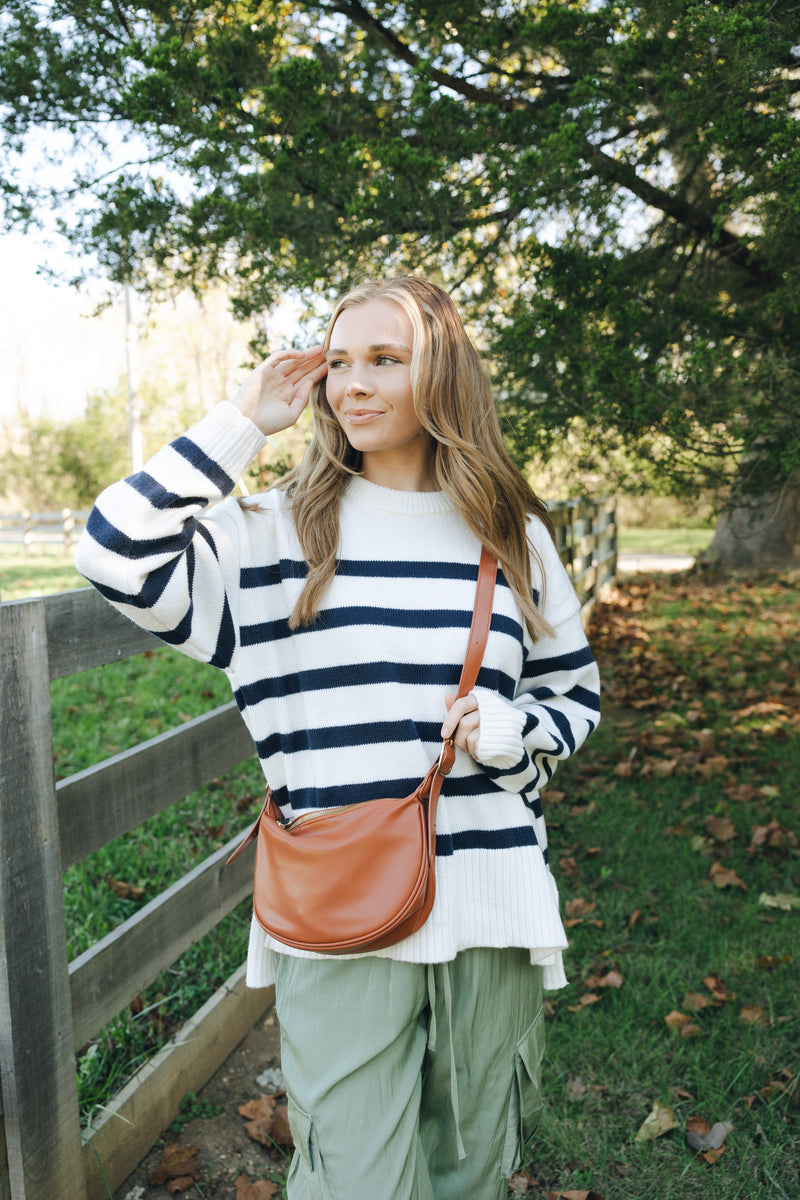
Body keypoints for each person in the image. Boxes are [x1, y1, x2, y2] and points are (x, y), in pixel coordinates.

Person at [76, 275, 600, 1199]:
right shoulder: (270, 536)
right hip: (340, 905)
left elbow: (574, 695)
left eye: (386, 361)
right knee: (354, 1176)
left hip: (494, 895)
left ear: (444, 376)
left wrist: (519, 732)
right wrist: (243, 421)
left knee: (470, 1168)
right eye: (341, 361)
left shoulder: (514, 537)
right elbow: (114, 550)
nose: (353, 383)